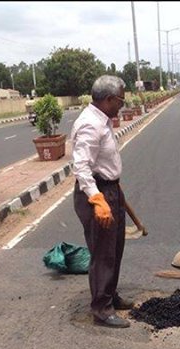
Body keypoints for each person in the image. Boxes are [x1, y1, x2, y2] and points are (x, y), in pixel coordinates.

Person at [71, 75, 133, 328]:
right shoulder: (89, 124)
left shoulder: (102, 120)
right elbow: (81, 166)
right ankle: (101, 309)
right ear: (108, 99)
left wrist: (114, 189)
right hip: (96, 195)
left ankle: (109, 294)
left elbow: (102, 162)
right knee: (103, 253)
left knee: (115, 248)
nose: (122, 104)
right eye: (120, 100)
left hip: (110, 190)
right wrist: (98, 199)